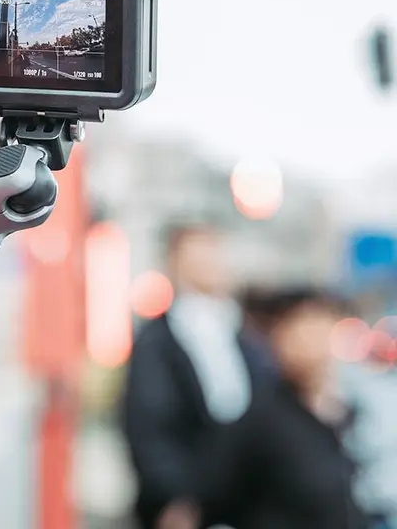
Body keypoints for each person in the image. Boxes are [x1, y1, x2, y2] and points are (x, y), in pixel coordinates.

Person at [116, 221, 263, 529]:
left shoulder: (243, 335)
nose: (210, 265)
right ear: (175, 263)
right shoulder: (157, 342)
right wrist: (176, 498)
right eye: (197, 257)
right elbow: (150, 427)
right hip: (188, 504)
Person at [194, 288, 370, 529]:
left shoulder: (351, 412)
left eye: (319, 327)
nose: (311, 344)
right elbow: (216, 494)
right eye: (300, 330)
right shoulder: (261, 421)